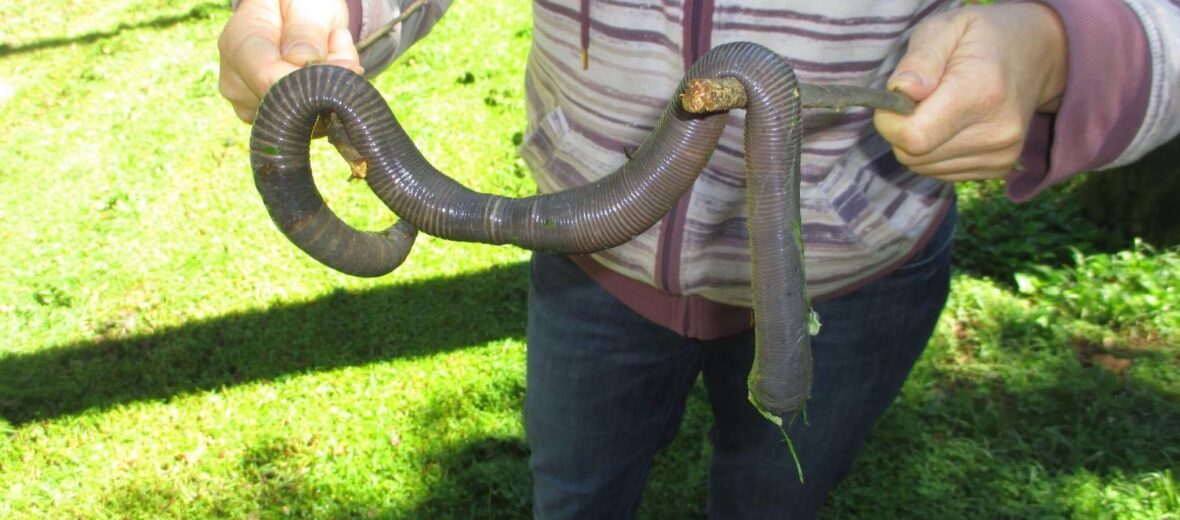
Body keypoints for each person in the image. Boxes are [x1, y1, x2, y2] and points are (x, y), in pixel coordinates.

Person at [219, 0, 1180, 517]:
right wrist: (317, 11)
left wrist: (1056, 44)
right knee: (578, 487)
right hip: (591, 267)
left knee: (773, 493)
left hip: (854, 281)